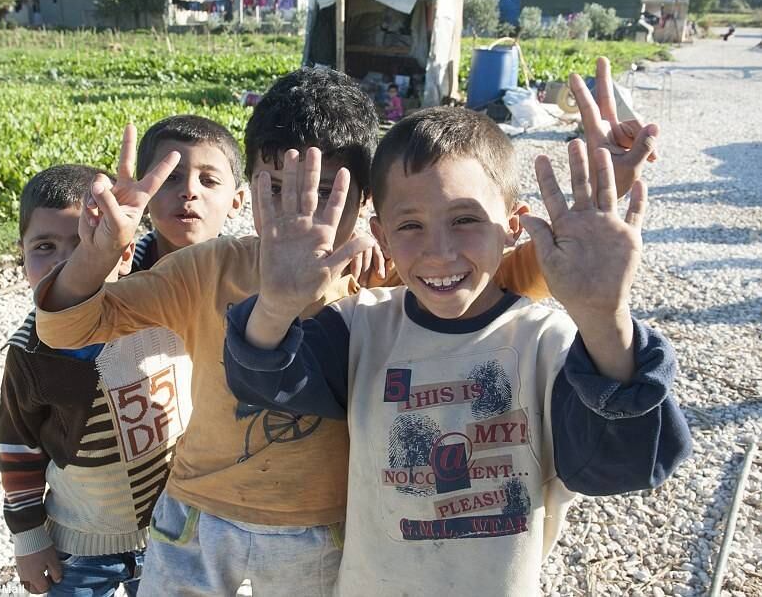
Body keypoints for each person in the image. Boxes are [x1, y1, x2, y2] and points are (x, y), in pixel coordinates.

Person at [33, 59, 658, 596]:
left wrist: (603, 193)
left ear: (365, 205)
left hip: (325, 525)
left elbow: (504, 267)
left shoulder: (385, 272)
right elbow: (68, 329)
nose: (300, 212)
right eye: (279, 189)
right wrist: (94, 256)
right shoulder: (207, 267)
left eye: (328, 192)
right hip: (196, 515)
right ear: (251, 188)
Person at [221, 107, 692, 596]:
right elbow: (262, 378)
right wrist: (276, 305)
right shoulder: (360, 327)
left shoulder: (548, 342)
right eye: (410, 226)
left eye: (465, 219)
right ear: (380, 235)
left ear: (512, 226)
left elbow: (622, 466)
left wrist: (605, 318)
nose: (439, 250)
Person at [0, 115, 246, 596]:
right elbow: (19, 444)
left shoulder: (205, 287)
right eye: (45, 247)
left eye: (207, 179)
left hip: (184, 525)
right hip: (84, 539)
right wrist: (28, 537)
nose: (71, 259)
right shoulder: (35, 347)